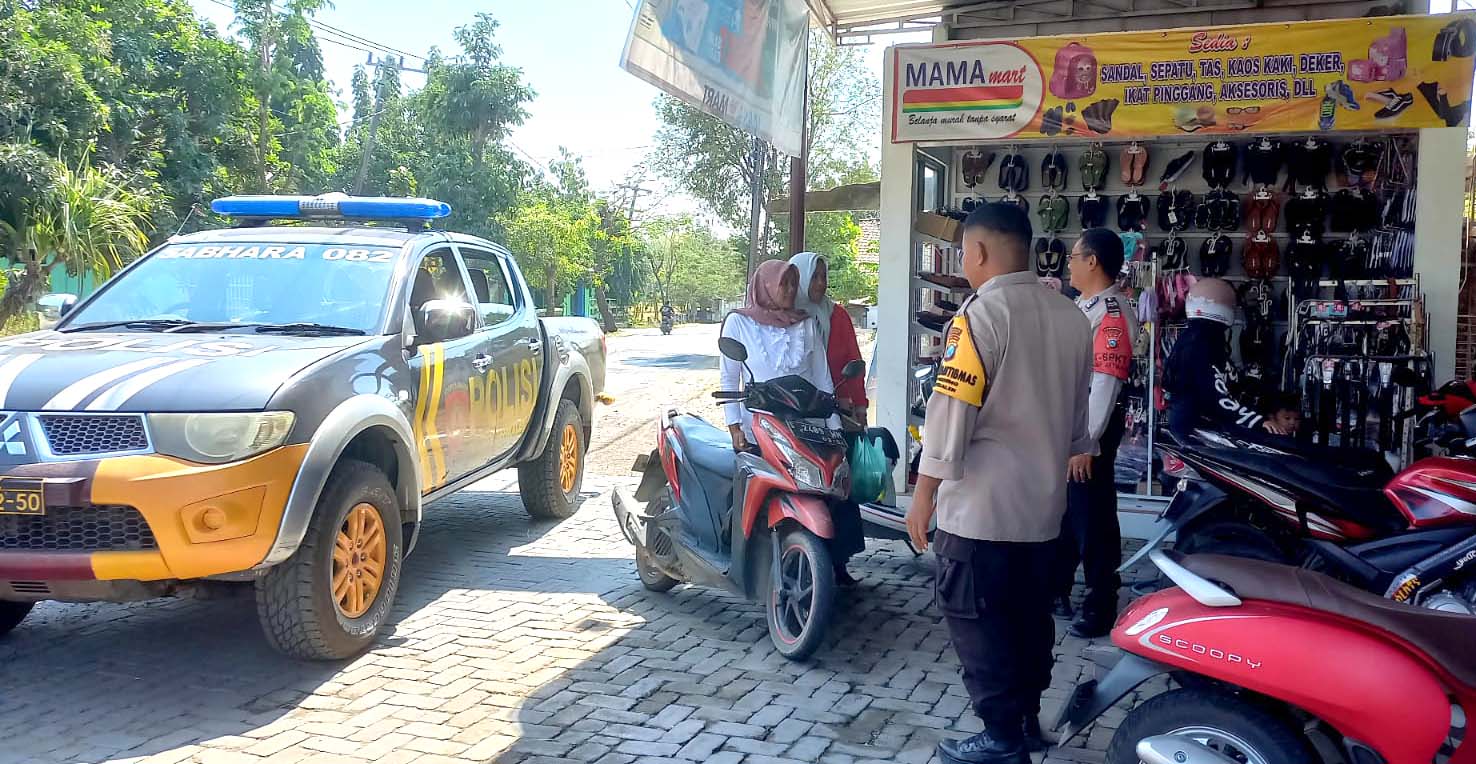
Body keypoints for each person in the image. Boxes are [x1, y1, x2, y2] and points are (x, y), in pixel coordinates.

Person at [905, 203, 1093, 763]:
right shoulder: (1072, 317)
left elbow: (951, 410)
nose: (964, 262)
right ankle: (1028, 722)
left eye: (964, 251)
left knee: (978, 622)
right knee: (1030, 620)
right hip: (1042, 511)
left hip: (982, 513)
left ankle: (1001, 738)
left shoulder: (980, 316)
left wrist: (922, 494)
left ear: (980, 252)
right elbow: (1079, 421)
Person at [1054, 228, 1139, 639]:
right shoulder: (1086, 307)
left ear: (1092, 261)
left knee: (1094, 515)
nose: (1068, 263)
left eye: (1074, 256)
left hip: (1092, 429)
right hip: (1077, 424)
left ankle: (1101, 602)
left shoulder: (1110, 314)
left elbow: (1104, 383)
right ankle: (1058, 587)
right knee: (1072, 509)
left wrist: (1085, 443)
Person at [791, 251, 867, 586]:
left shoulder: (837, 316)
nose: (821, 283)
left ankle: (837, 562)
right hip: (795, 416)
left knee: (838, 488)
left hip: (835, 414)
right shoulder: (786, 316)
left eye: (824, 276)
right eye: (815, 276)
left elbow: (853, 359)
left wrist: (860, 405)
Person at [719, 259, 833, 453]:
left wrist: (833, 428)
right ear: (766, 285)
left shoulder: (805, 323)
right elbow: (729, 379)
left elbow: (822, 377)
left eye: (793, 284)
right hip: (758, 434)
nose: (790, 290)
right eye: (783, 283)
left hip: (805, 432)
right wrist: (734, 427)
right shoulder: (738, 322)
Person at [1163, 278, 1289, 440]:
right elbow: (1215, 392)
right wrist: (1257, 421)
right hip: (1198, 428)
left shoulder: (1190, 338)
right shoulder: (1203, 344)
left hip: (1188, 422)